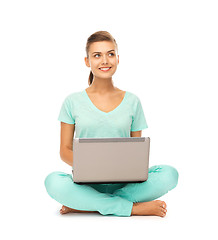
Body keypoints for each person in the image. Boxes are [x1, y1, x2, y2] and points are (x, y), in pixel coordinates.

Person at [44, 31, 179, 217]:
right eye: (97, 55)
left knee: (170, 174)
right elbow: (65, 149)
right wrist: (92, 166)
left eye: (110, 54)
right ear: (87, 61)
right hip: (86, 183)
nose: (105, 60)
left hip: (125, 185)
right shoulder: (71, 101)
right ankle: (130, 208)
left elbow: (136, 152)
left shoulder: (133, 101)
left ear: (117, 58)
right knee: (52, 181)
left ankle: (88, 204)